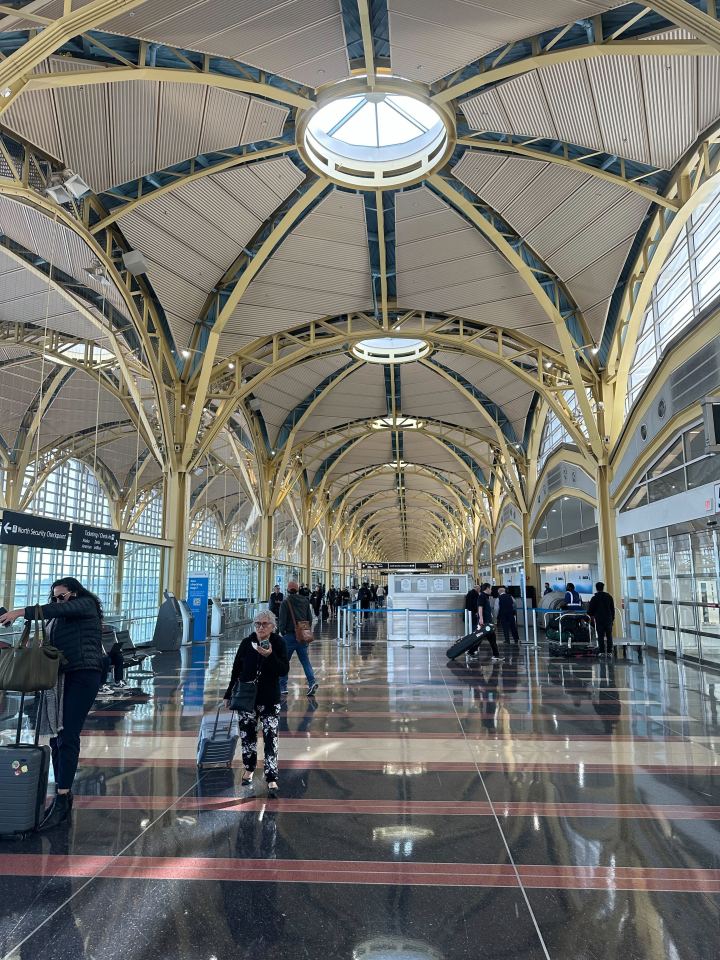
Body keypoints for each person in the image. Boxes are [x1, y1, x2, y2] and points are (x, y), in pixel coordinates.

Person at [0, 576, 104, 829]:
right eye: (54, 597)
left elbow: (58, 610)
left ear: (75, 593)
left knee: (67, 735)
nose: (58, 601)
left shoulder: (86, 604)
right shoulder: (59, 617)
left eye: (62, 596)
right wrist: (12, 616)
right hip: (63, 678)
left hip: (84, 674)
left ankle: (62, 797)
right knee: (58, 737)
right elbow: (50, 624)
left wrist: (22, 611)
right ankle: (62, 794)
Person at [223, 610, 288, 797]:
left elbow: (283, 670)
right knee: (247, 736)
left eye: (264, 624)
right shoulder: (246, 643)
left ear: (273, 626)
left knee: (270, 738)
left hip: (270, 698)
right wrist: (228, 694)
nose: (260, 627)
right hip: (246, 699)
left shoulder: (279, 643)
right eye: (257, 623)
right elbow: (236, 670)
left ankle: (271, 776)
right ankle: (249, 768)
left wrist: (269, 656)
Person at [278, 581, 318, 698]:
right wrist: (305, 630)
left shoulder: (286, 602)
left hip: (289, 636)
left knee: (284, 662)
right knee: (305, 661)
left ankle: (283, 687)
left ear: (288, 590)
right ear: (297, 589)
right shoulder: (305, 601)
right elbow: (310, 619)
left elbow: (282, 621)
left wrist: (283, 632)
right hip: (303, 635)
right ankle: (312, 682)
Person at [587, 581, 616, 658]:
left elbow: (590, 611)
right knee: (609, 635)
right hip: (608, 619)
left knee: (600, 636)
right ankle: (610, 651)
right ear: (603, 588)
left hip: (599, 620)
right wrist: (612, 619)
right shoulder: (609, 597)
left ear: (596, 588)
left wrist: (591, 615)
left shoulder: (594, 598)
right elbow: (612, 609)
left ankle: (602, 652)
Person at [477, 583, 502, 661]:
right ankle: (496, 655)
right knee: (492, 638)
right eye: (490, 589)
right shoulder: (482, 596)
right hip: (485, 621)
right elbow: (480, 607)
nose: (491, 590)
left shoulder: (485, 597)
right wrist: (481, 618)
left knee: (480, 638)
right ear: (487, 588)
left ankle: (471, 652)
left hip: (487, 621)